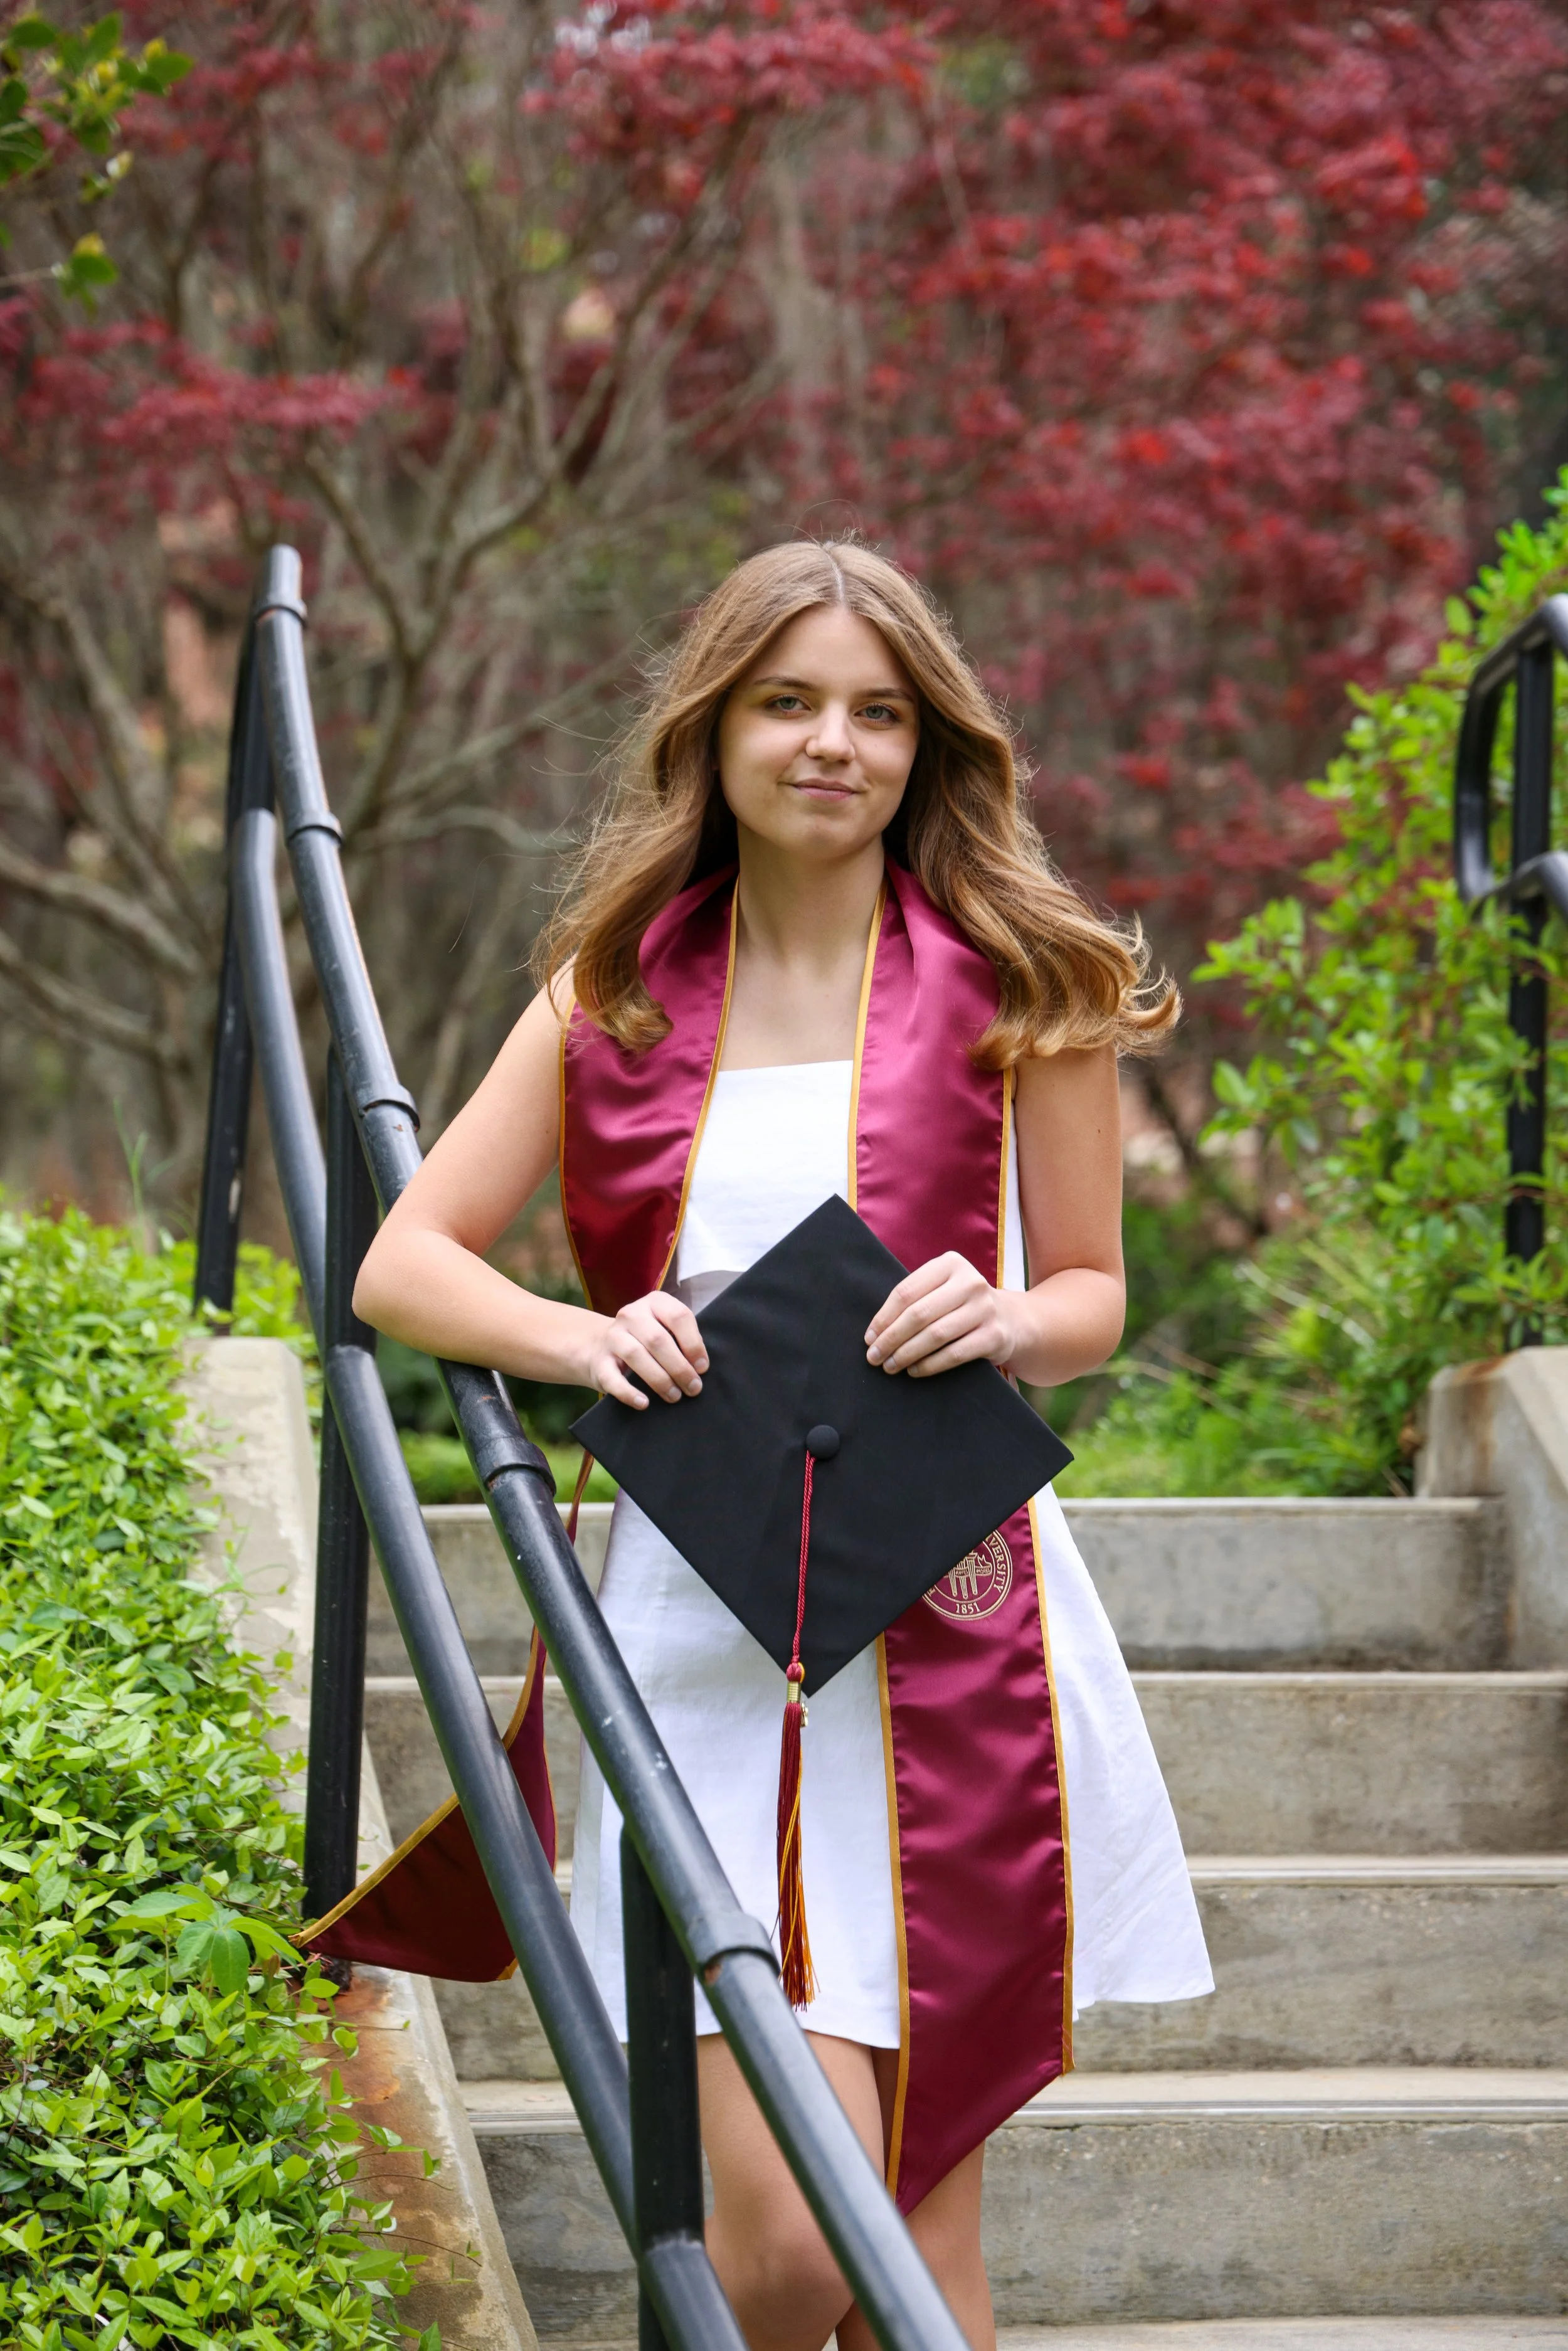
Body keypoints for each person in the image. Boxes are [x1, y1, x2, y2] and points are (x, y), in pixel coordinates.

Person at [352, 539, 1212, 2351]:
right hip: (699, 1615)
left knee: (932, 2279)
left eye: (878, 712)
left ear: (927, 746)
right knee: (791, 2257)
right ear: (717, 727)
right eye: (790, 701)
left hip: (953, 1623)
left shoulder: (1020, 981)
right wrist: (587, 1331)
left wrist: (1001, 1315)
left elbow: (1088, 1294)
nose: (834, 743)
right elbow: (404, 1266)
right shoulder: (617, 994)